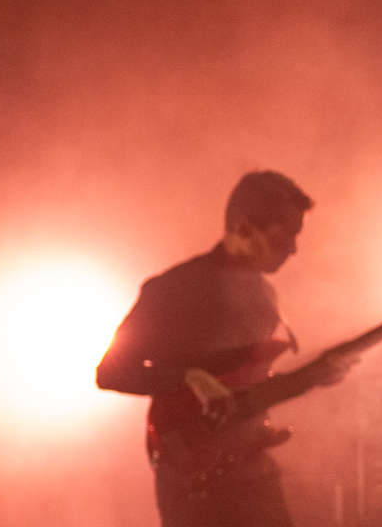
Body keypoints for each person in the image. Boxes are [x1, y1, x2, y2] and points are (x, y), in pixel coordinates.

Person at [95, 170, 358, 527]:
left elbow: (248, 390)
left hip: (254, 473)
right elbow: (109, 372)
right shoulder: (174, 288)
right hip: (194, 478)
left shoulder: (267, 297)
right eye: (284, 239)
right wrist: (190, 378)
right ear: (245, 227)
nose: (294, 250)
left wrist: (316, 376)